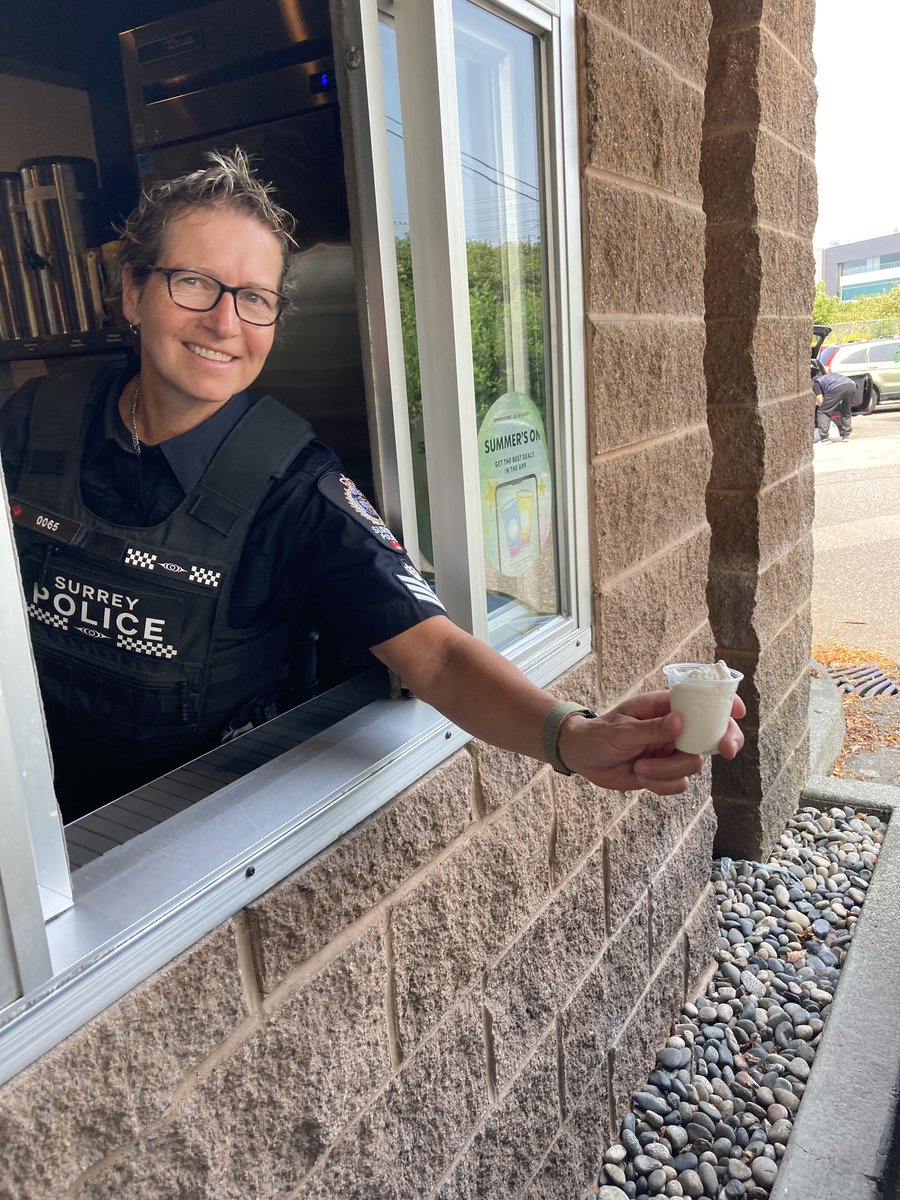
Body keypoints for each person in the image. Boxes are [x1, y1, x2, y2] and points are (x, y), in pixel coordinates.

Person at [0, 150, 744, 823]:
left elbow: (439, 656)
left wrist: (571, 735)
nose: (225, 321)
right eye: (193, 283)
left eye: (254, 298)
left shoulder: (292, 485)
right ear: (133, 292)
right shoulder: (40, 416)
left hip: (172, 835)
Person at [812, 363, 856, 442]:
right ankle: (845, 436)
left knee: (823, 411)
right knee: (846, 410)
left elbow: (820, 399)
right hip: (852, 385)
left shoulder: (816, 383)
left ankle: (824, 438)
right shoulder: (829, 377)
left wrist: (827, 412)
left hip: (837, 387)